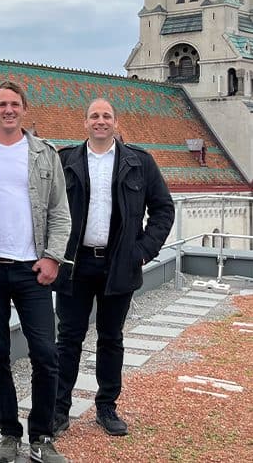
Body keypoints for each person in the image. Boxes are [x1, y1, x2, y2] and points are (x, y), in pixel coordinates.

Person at [53, 99, 174, 437]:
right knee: (68, 339)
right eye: (94, 116)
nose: (101, 121)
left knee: (111, 338)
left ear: (116, 123)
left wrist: (142, 252)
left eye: (106, 116)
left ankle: (106, 407)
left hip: (118, 264)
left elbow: (163, 210)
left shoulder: (139, 163)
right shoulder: (67, 161)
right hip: (75, 265)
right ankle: (59, 409)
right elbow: (47, 209)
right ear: (85, 122)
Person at [0, 81, 71, 463]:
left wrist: (52, 258)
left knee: (45, 353)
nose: (9, 110)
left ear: (24, 109)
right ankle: (9, 433)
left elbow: (60, 211)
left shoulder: (44, 153)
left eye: (15, 104)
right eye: (2, 104)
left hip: (33, 270)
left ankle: (41, 436)